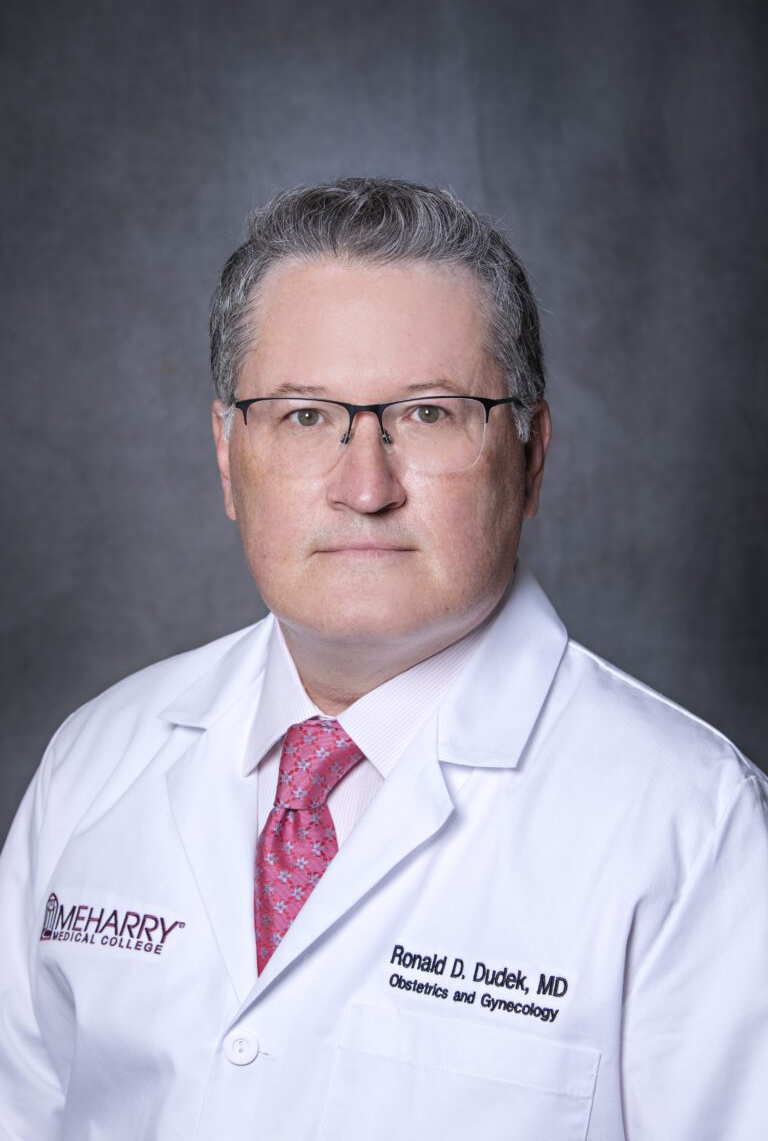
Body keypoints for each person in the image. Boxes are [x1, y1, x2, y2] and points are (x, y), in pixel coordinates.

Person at [0, 178, 766, 1141]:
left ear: (531, 460)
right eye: (304, 415)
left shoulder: (693, 829)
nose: (366, 487)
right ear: (227, 454)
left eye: (429, 414)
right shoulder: (94, 763)